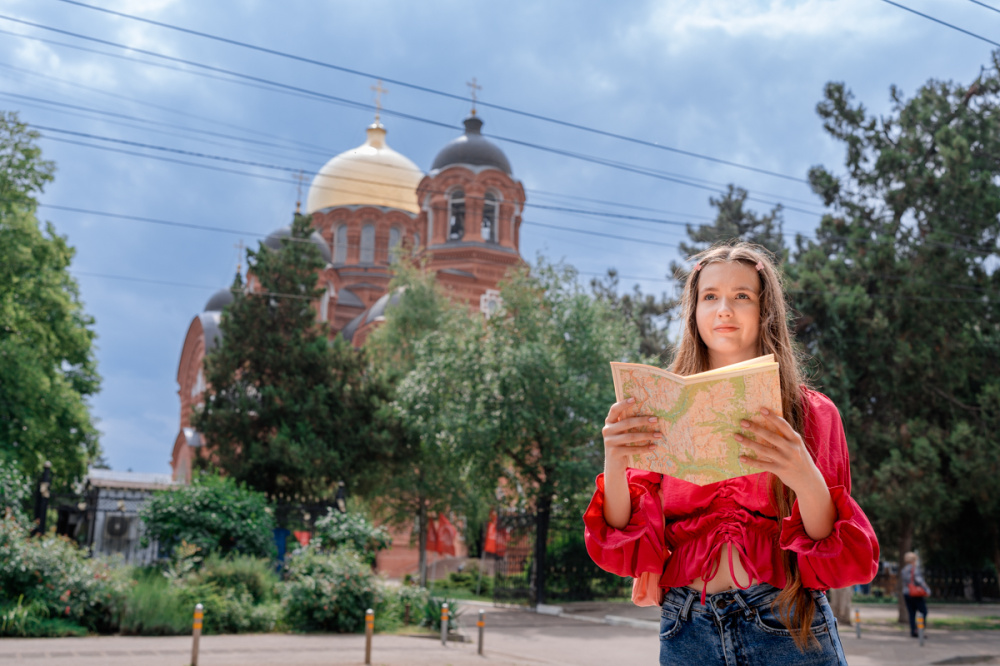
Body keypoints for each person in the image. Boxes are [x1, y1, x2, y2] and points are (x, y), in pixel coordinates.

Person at [584, 243, 880, 665]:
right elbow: (625, 543)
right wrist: (615, 461)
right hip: (688, 629)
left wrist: (802, 472)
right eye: (710, 296)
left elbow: (833, 553)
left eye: (742, 295)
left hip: (784, 625)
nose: (725, 309)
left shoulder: (812, 412)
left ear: (766, 311)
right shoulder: (660, 409)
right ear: (693, 311)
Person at [901, 551, 930, 637]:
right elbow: (919, 581)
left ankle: (913, 631)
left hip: (906, 593)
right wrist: (927, 590)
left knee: (911, 614)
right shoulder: (914, 569)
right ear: (914, 560)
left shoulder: (904, 570)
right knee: (923, 611)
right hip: (915, 593)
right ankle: (919, 630)